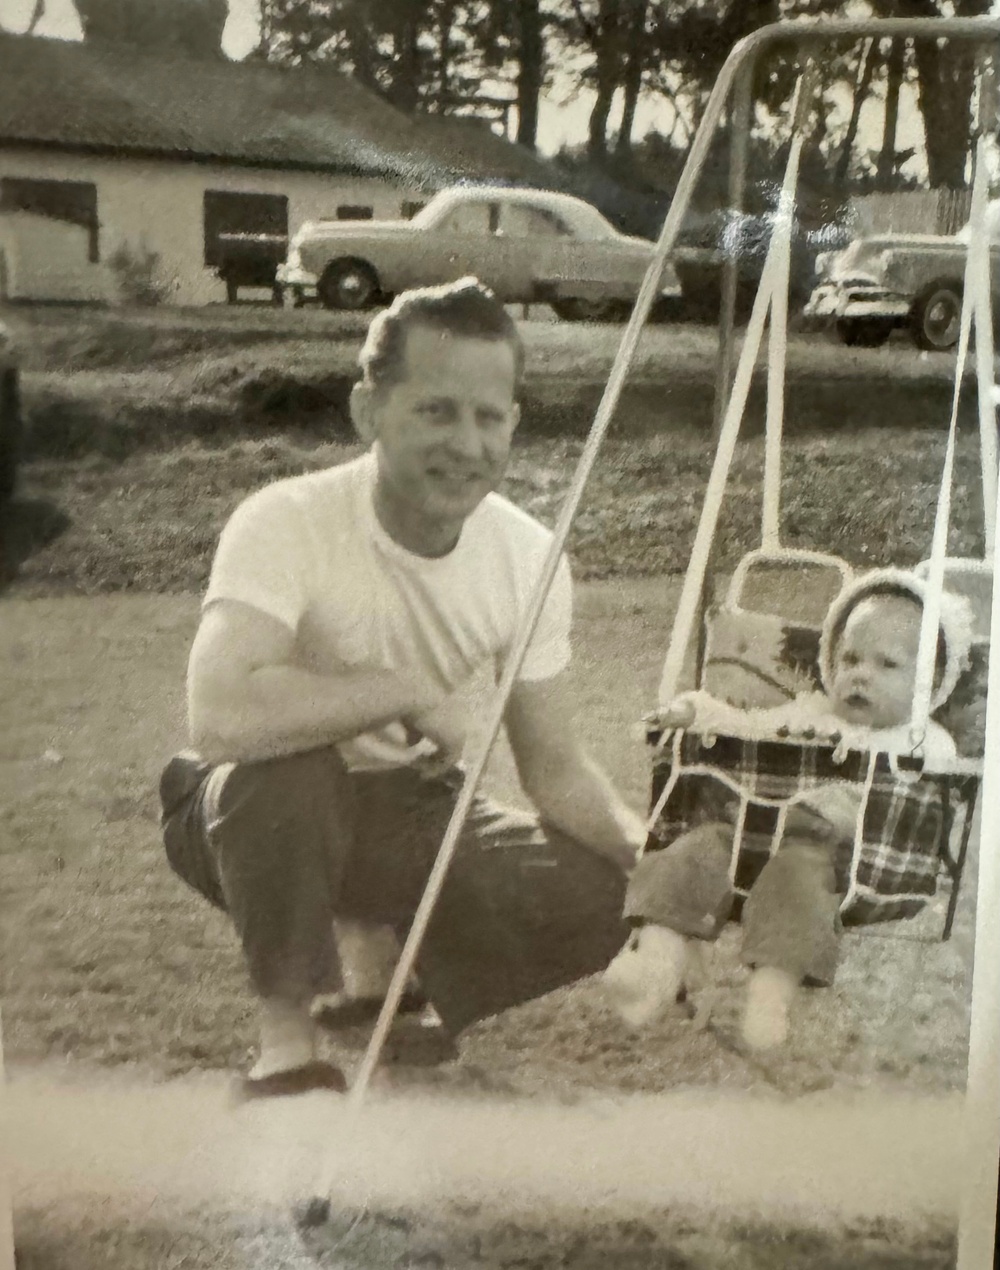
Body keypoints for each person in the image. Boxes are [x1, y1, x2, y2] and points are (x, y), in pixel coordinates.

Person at [159, 278, 646, 1098]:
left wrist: (653, 867)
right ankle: (289, 1052)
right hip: (239, 814)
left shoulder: (529, 557)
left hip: (406, 813)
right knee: (291, 771)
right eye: (435, 411)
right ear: (367, 412)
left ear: (514, 426)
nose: (466, 442)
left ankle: (395, 996)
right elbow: (221, 716)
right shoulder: (285, 520)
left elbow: (555, 768)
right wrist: (404, 688)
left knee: (610, 895)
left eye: (489, 417)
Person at [602, 568, 972, 1052]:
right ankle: (656, 958)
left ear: (932, 682)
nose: (860, 673)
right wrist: (693, 712)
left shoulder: (926, 741)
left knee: (797, 877)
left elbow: (957, 782)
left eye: (888, 664)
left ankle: (771, 995)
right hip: (748, 839)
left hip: (835, 861)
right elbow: (747, 723)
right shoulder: (812, 712)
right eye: (850, 658)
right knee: (694, 848)